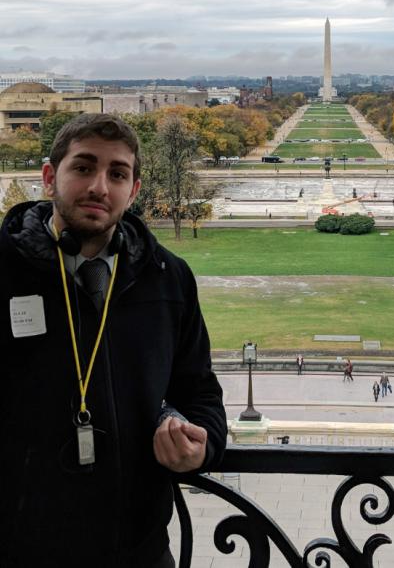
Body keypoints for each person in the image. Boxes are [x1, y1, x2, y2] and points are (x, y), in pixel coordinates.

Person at [0, 114, 227, 568]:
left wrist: (201, 446)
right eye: (83, 168)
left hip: (136, 549)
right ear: (49, 177)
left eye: (117, 174)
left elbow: (200, 393)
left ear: (134, 190)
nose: (100, 187)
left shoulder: (169, 278)